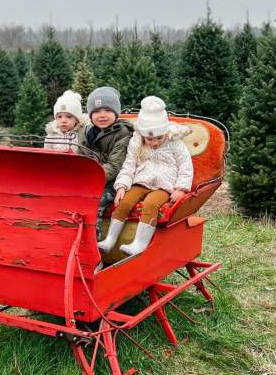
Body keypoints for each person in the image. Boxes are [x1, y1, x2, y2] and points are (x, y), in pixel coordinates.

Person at [98, 96, 193, 256]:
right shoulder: (137, 142)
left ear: (165, 132)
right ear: (142, 134)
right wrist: (122, 186)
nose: (154, 143)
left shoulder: (175, 143)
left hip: (164, 185)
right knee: (125, 201)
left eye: (159, 138)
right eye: (149, 139)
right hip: (141, 181)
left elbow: (185, 166)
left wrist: (181, 188)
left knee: (151, 204)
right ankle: (110, 240)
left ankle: (139, 244)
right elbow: (129, 165)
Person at [78, 86, 134, 236]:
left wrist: (92, 179)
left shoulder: (123, 132)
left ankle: (92, 244)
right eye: (96, 111)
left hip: (111, 183)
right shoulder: (85, 132)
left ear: (116, 112)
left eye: (108, 110)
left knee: (95, 202)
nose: (102, 115)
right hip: (89, 179)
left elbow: (115, 165)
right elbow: (81, 159)